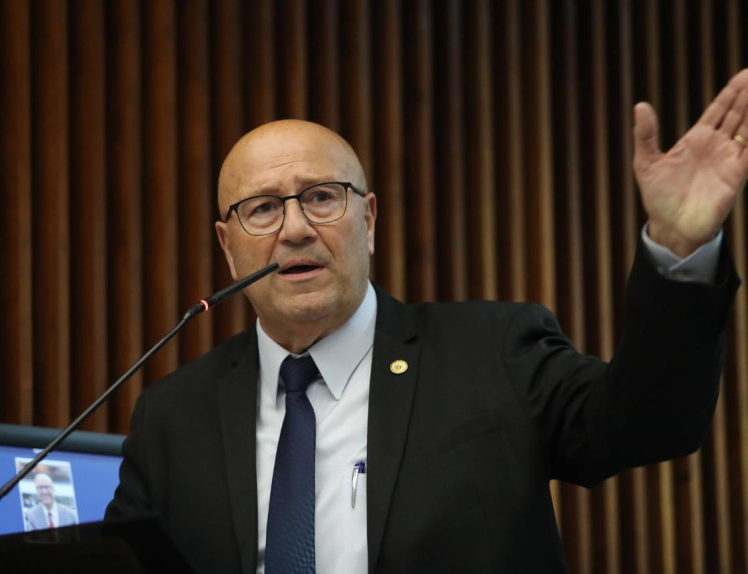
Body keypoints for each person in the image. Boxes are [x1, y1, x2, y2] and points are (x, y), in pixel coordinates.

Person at [105, 69, 748, 573]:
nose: (295, 229)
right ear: (228, 246)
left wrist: (679, 248)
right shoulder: (172, 418)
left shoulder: (494, 352)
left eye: (322, 197)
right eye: (263, 208)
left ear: (369, 221)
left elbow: (648, 424)